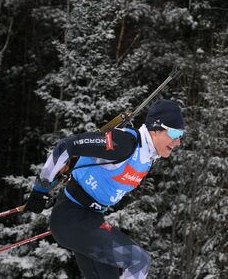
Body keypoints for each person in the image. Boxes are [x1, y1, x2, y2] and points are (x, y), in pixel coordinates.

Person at [25, 99, 185, 279]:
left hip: (91, 220)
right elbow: (67, 146)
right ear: (155, 129)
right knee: (139, 262)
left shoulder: (148, 156)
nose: (178, 141)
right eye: (174, 133)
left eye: (181, 134)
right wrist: (40, 189)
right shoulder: (124, 142)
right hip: (70, 217)